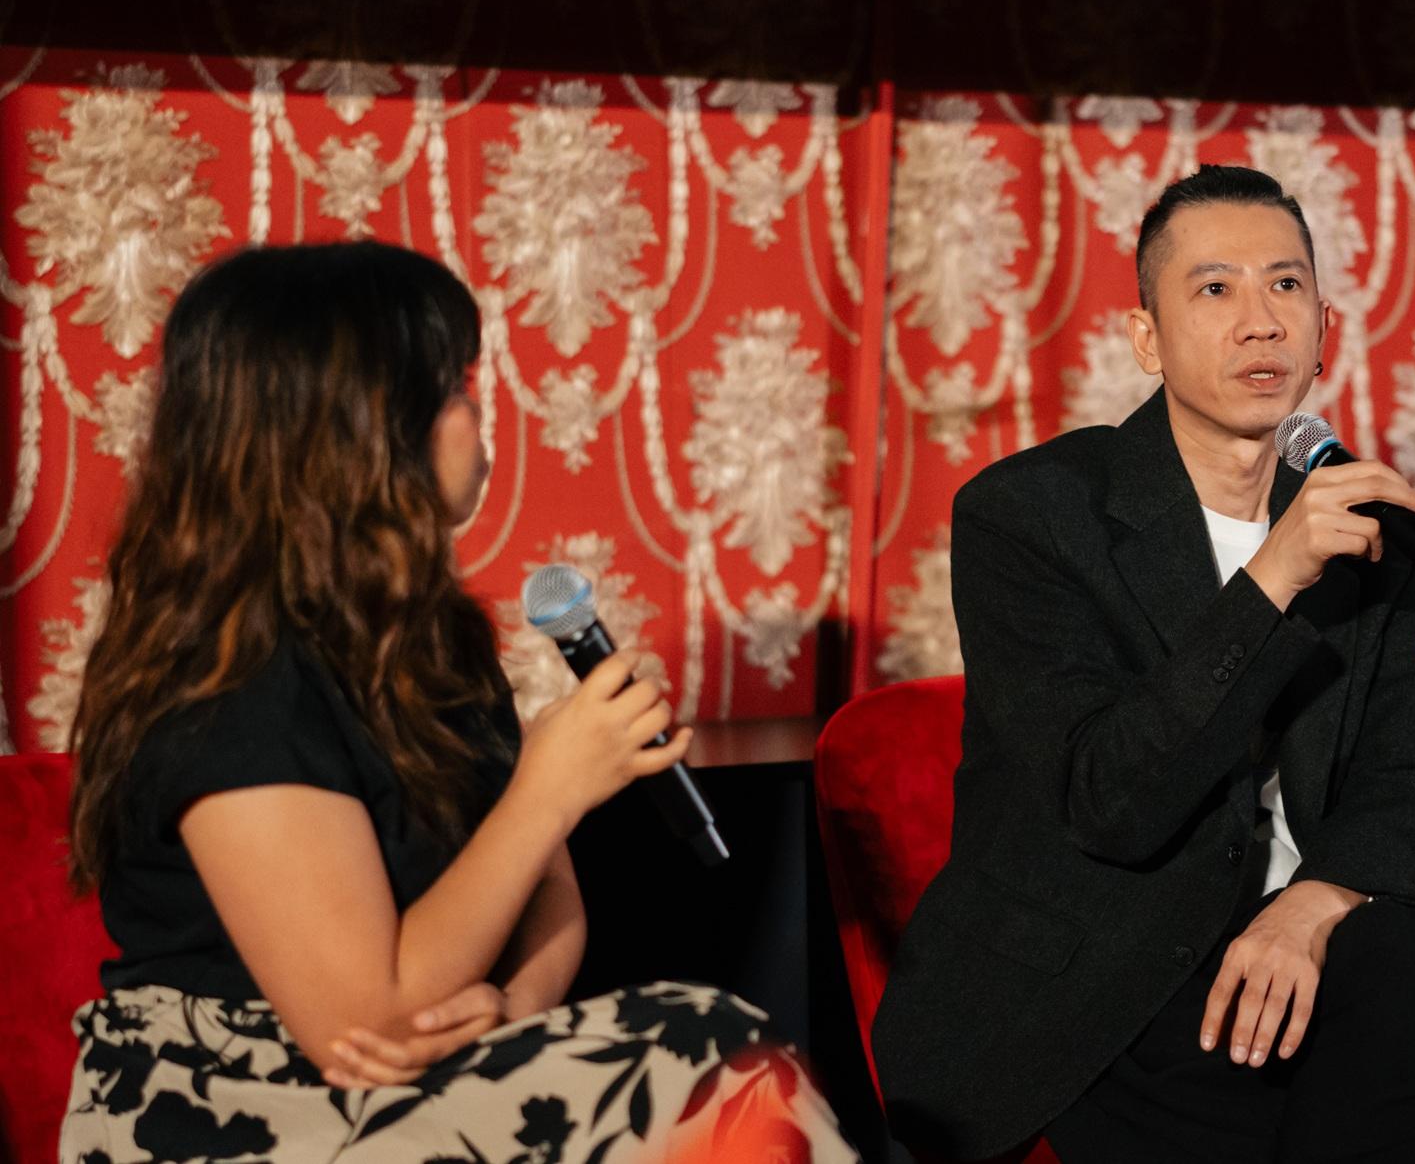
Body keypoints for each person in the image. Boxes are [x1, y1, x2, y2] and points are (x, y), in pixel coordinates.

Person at [58, 242, 854, 1164]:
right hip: (232, 1095)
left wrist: (510, 1011)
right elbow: (363, 1024)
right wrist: (548, 789)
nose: (478, 417)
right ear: (365, 431)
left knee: (714, 1044)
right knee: (699, 1054)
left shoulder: (433, 645)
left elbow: (551, 897)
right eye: (455, 391)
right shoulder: (228, 687)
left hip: (423, 1077)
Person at [872, 166, 1415, 1163]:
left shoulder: (1359, 527)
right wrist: (1273, 575)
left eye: (1284, 286)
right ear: (1146, 337)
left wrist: (1313, 904)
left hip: (1300, 959)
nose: (1259, 322)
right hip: (1097, 990)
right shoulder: (1031, 515)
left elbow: (1405, 781)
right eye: (1214, 288)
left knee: (1409, 978)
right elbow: (1110, 800)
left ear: (1323, 327)